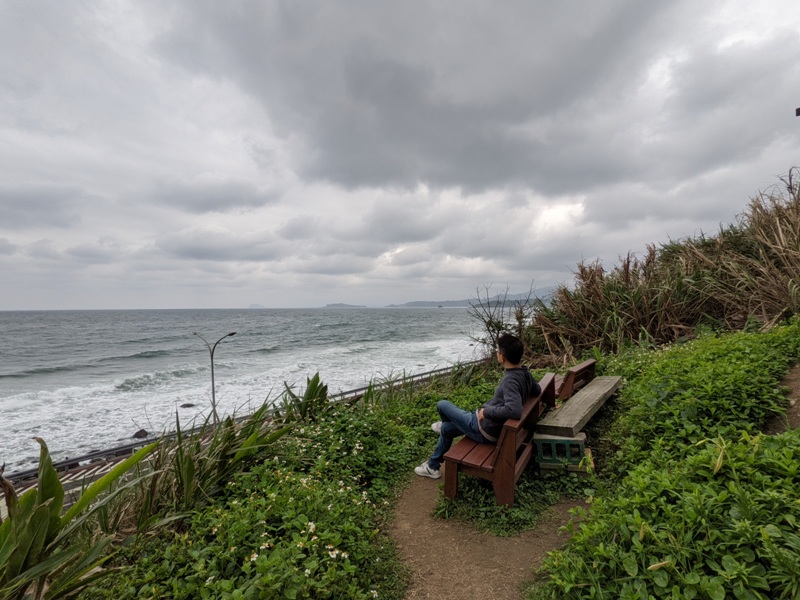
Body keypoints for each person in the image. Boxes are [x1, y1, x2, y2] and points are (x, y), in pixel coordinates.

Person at [415, 333, 541, 479]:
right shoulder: (524, 373)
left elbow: (514, 410)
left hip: (484, 428)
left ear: (502, 357)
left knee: (442, 404)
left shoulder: (510, 380)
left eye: (498, 351)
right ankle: (432, 466)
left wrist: (487, 412)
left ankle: (444, 424)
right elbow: (537, 390)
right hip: (494, 427)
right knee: (447, 429)